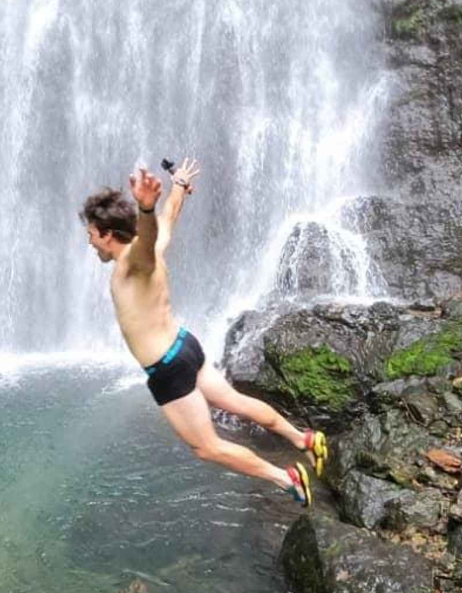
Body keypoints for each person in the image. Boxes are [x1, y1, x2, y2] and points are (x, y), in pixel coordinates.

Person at [80, 159, 327, 505]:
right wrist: (178, 187)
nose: (90, 242)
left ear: (108, 234)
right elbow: (168, 218)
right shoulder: (151, 248)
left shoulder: (133, 262)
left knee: (207, 448)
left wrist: (146, 208)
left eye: (91, 234)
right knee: (235, 402)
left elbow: (147, 237)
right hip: (184, 345)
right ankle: (303, 439)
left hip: (169, 369)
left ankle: (286, 479)